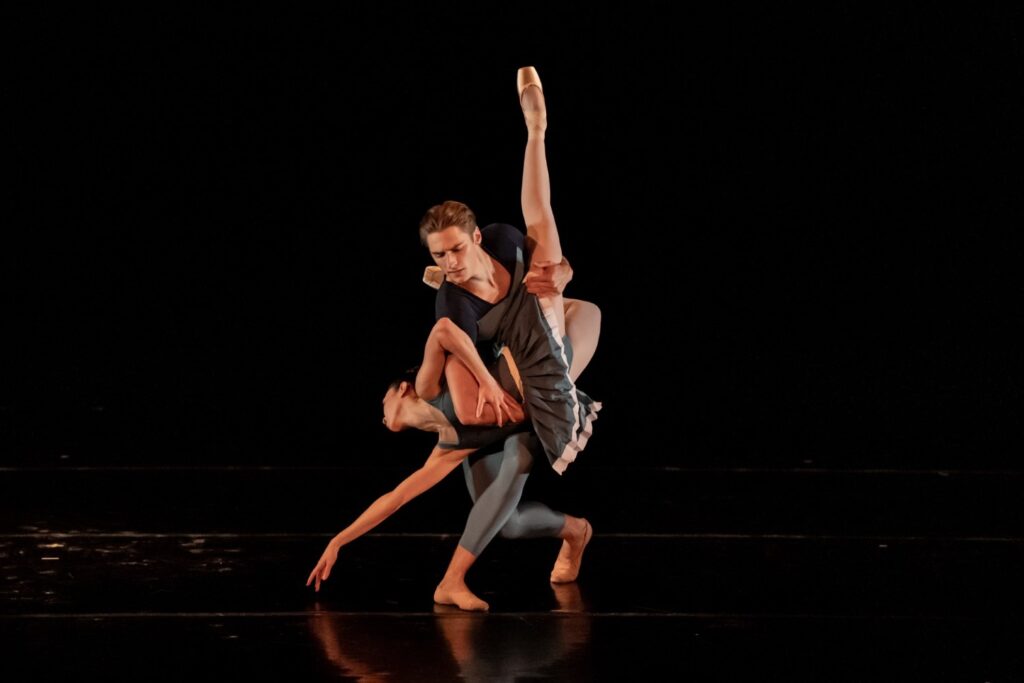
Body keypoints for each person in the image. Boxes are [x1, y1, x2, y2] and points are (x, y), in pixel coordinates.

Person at [307, 66, 597, 610]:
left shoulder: (502, 252)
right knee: (504, 526)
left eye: (456, 250)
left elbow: (446, 334)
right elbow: (394, 498)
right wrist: (338, 540)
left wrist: (563, 275)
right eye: (438, 256)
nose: (448, 263)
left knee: (545, 245)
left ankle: (535, 131)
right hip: (529, 363)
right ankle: (574, 531)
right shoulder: (444, 444)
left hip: (548, 346)